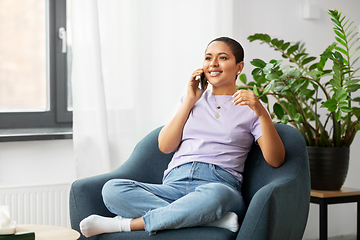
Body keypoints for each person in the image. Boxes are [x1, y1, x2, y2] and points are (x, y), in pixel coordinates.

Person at [79, 37, 285, 237]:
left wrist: (260, 111)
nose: (213, 63)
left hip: (218, 185)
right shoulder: (191, 100)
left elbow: (275, 160)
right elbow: (165, 146)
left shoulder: (251, 108)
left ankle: (126, 225)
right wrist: (189, 100)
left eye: (222, 58)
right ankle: (206, 218)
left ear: (239, 67)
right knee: (113, 189)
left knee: (216, 196)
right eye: (208, 57)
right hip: (174, 183)